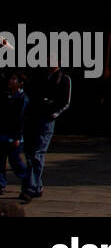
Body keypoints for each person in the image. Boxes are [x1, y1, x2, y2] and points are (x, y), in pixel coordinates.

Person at [19, 62, 71, 203]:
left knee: (38, 153)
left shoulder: (63, 78)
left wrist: (54, 113)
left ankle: (30, 188)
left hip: (46, 120)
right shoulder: (40, 76)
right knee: (30, 154)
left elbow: (65, 101)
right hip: (32, 118)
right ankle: (37, 186)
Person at [0, 73, 28, 195]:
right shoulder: (6, 96)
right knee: (0, 161)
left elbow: (21, 119)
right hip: (3, 134)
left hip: (14, 136)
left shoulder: (23, 98)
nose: (10, 81)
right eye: (10, 78)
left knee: (15, 162)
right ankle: (0, 185)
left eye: (14, 79)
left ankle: (28, 183)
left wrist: (17, 136)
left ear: (20, 83)